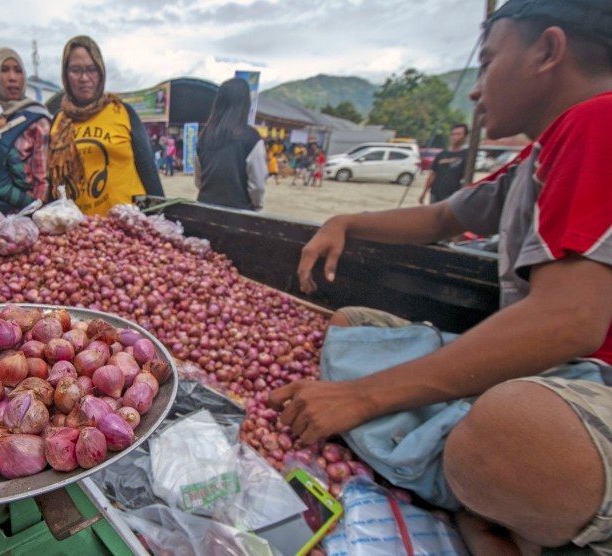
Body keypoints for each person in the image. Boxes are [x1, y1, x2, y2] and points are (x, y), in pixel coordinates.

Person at [269, 1, 612, 553]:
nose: (475, 91)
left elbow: (569, 321)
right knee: (351, 323)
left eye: (488, 62)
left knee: (509, 431)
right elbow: (444, 217)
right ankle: (495, 509)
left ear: (548, 51)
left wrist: (362, 397)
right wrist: (345, 220)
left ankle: (491, 495)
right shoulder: (536, 157)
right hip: (545, 373)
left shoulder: (600, 120)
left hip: (585, 392)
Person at [47, 35, 164, 216]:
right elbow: (52, 182)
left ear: (101, 72)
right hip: (77, 235)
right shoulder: (58, 121)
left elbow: (148, 171)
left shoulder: (122, 112)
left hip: (127, 229)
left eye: (91, 69)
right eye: (75, 70)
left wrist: (161, 218)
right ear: (65, 74)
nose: (84, 78)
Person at [0, 47, 51, 203]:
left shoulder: (36, 120)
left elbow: (43, 181)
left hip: (22, 215)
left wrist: (33, 216)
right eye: (4, 70)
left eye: (18, 71)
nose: (12, 78)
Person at [193, 77, 267, 211]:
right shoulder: (251, 137)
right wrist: (256, 207)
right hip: (238, 215)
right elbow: (257, 185)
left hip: (204, 210)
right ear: (245, 104)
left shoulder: (204, 136)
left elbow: (199, 181)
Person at [417, 124, 469, 204]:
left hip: (453, 195)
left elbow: (467, 178)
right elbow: (433, 175)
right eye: (453, 134)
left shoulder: (466, 155)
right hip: (435, 193)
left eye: (458, 134)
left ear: (465, 137)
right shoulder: (441, 154)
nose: (454, 137)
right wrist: (423, 194)